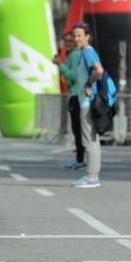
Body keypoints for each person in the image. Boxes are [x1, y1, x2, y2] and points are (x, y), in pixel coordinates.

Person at [70, 23, 104, 188]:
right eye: (74, 36)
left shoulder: (88, 52)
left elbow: (99, 70)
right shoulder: (86, 52)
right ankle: (92, 174)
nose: (76, 39)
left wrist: (89, 84)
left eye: (79, 35)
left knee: (88, 139)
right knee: (92, 139)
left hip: (87, 101)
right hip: (87, 100)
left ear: (87, 36)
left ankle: (91, 176)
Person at [56, 31, 85, 168]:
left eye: (70, 40)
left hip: (76, 95)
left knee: (78, 129)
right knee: (79, 129)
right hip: (77, 94)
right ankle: (81, 158)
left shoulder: (74, 55)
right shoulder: (76, 54)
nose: (67, 43)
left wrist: (60, 64)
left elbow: (73, 76)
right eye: (65, 41)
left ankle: (81, 160)